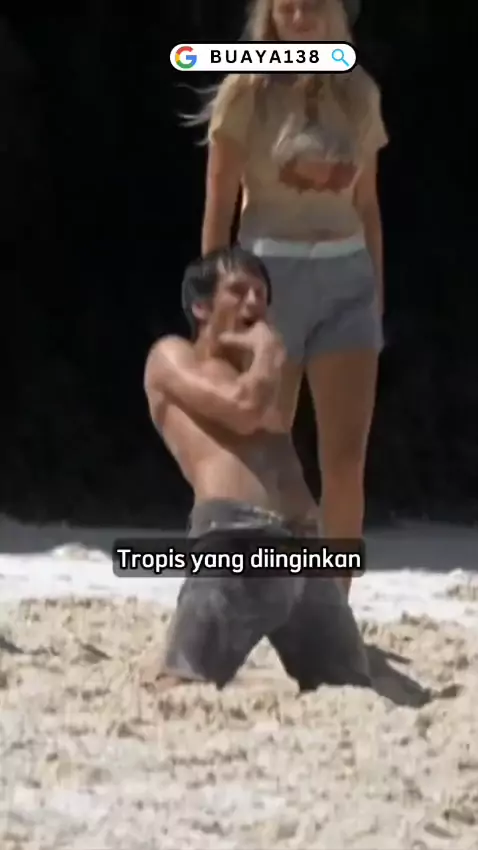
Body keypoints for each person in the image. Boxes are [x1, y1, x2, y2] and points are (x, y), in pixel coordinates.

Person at [187, 0, 389, 598]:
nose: (301, 17)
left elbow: (368, 205)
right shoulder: (245, 92)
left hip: (347, 280)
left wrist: (376, 291)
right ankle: (257, 596)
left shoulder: (359, 93)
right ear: (270, 16)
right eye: (288, 7)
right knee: (265, 455)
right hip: (267, 282)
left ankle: (335, 609)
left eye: (313, 5)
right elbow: (220, 205)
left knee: (346, 460)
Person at [142, 247, 370, 692]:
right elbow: (242, 410)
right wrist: (267, 351)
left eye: (262, 294)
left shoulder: (256, 378)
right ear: (201, 306)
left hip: (306, 550)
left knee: (349, 687)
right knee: (183, 685)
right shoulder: (173, 356)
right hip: (238, 539)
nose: (254, 303)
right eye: (238, 291)